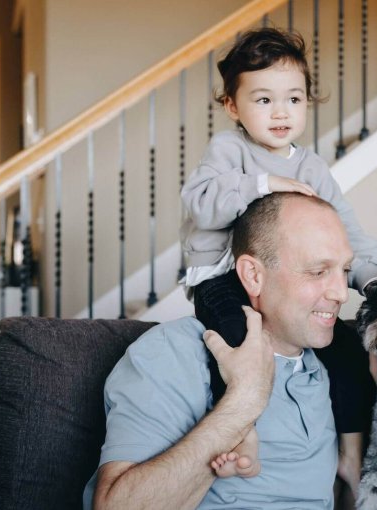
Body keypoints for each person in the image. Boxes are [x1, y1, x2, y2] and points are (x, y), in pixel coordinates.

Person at [179, 28, 377, 487]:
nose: (281, 112)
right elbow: (200, 203)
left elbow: (344, 227)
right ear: (233, 106)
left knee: (347, 350)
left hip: (282, 281)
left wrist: (371, 280)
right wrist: (264, 184)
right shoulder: (229, 150)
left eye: (293, 99)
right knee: (239, 337)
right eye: (263, 100)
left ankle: (351, 456)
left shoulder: (312, 166)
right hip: (223, 277)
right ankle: (241, 433)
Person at [86, 193, 354, 509]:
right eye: (318, 271)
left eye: (345, 270)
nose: (341, 293)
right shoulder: (174, 352)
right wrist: (244, 400)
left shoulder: (329, 367)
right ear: (254, 276)